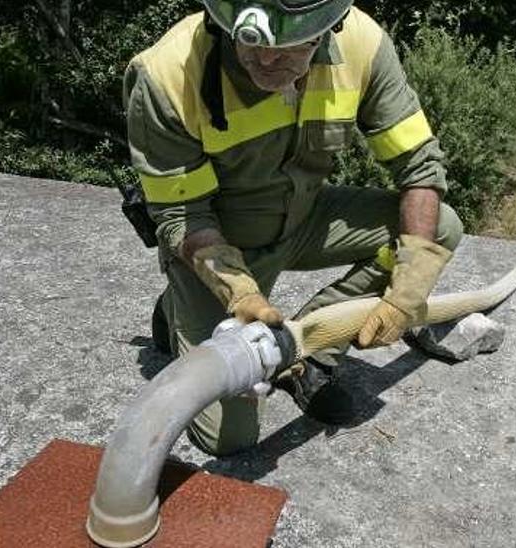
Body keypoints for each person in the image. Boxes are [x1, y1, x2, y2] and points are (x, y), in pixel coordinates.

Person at [124, 0, 464, 456]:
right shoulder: (166, 76)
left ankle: (311, 353)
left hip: (306, 220)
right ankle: (179, 305)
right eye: (249, 41)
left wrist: (410, 286)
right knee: (228, 440)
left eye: (290, 46)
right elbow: (181, 213)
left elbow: (419, 167)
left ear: (329, 28)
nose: (266, 59)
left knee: (436, 231)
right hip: (218, 248)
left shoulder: (362, 44)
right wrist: (239, 293)